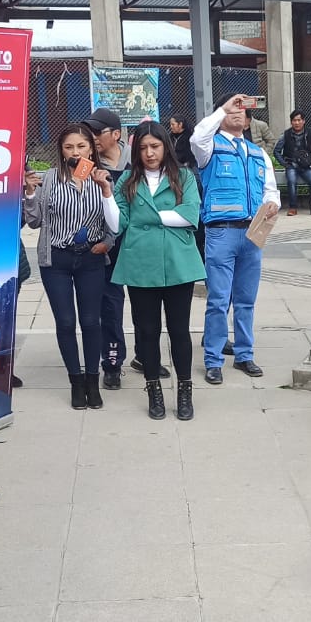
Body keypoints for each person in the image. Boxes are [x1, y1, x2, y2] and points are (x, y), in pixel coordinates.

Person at [102, 120, 204, 420]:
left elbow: (191, 215)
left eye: (155, 146)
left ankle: (185, 390)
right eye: (143, 148)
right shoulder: (127, 181)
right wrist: (107, 193)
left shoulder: (183, 176)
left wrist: (147, 217)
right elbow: (117, 223)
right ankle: (153, 390)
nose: (149, 153)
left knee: (179, 331)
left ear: (165, 146)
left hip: (178, 263)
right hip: (140, 264)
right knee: (147, 331)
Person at [24, 124, 117, 409]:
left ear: (91, 147)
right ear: (61, 151)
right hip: (57, 259)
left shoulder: (102, 177)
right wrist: (29, 194)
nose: (75, 152)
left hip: (90, 257)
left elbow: (114, 223)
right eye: (68, 147)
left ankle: (92, 378)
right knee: (65, 321)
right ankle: (75, 380)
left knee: (91, 321)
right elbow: (35, 221)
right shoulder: (50, 178)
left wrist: (108, 242)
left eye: (81, 146)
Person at [191, 93, 280, 384]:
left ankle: (244, 354)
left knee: (246, 300)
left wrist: (272, 203)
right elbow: (196, 138)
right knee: (218, 299)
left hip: (252, 234)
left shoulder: (258, 153)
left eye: (242, 111)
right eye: (232, 111)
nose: (237, 114)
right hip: (221, 232)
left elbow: (270, 188)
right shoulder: (210, 147)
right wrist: (222, 110)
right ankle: (213, 359)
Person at [82, 108, 133, 390]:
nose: (92, 138)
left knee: (145, 305)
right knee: (110, 306)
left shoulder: (137, 162)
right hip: (104, 250)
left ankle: (147, 356)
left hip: (136, 246)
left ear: (116, 134)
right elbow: (81, 204)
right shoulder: (87, 165)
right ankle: (112, 363)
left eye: (97, 132)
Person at [276, 110, 311, 217]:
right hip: (291, 165)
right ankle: (292, 207)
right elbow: (276, 151)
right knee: (291, 181)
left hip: (306, 166)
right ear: (291, 122)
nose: (297, 123)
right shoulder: (285, 134)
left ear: (304, 121)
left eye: (299, 120)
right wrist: (285, 164)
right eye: (294, 120)